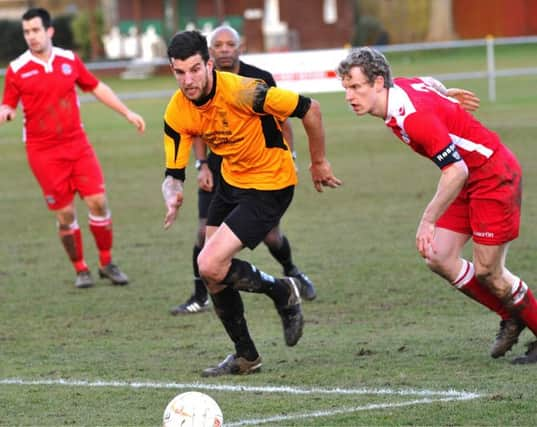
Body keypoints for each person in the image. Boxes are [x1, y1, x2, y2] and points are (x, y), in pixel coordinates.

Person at [337, 46, 537, 364]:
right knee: (438, 255)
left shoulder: (414, 118)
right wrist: (446, 95)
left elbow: (456, 170)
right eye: (346, 88)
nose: (349, 96)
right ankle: (511, 316)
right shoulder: (399, 85)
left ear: (378, 83)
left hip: (492, 174)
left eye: (356, 87)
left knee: (489, 272)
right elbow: (428, 81)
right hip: (467, 176)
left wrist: (427, 219)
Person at [161, 30, 341, 376]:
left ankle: (281, 290)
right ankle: (247, 356)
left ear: (209, 64)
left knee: (209, 263)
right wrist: (173, 193)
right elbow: (172, 171)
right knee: (212, 274)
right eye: (179, 72)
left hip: (271, 183)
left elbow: (310, 109)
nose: (188, 80)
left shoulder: (244, 90)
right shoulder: (177, 110)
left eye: (195, 69)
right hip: (231, 181)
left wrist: (318, 162)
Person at [169, 25, 317, 315]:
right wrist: (201, 166)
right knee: (204, 236)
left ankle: (291, 272)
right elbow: (193, 129)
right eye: (218, 44)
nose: (224, 49)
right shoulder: (193, 90)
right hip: (217, 167)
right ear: (210, 52)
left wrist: (292, 154)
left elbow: (284, 120)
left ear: (240, 47)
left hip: (261, 169)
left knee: (271, 235)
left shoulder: (256, 80)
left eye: (229, 44)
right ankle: (201, 295)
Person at [0, 8, 146, 288]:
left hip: (77, 144)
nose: (31, 36)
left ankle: (106, 262)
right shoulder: (17, 69)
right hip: (42, 151)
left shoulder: (69, 60)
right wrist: (6, 112)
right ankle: (81, 268)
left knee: (98, 202)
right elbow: (8, 103)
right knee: (65, 214)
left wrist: (127, 112)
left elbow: (97, 87)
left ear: (49, 31)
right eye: (26, 32)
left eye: (35, 30)